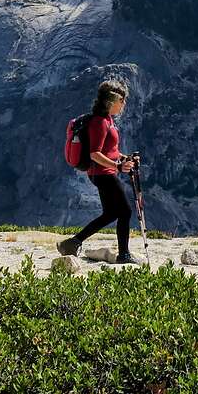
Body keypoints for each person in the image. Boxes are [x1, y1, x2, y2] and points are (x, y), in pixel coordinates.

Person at [57, 79, 143, 264]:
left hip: (104, 172)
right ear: (112, 100)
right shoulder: (99, 122)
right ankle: (124, 255)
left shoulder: (108, 120)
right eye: (122, 100)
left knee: (111, 214)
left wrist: (125, 158)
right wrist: (118, 167)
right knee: (125, 212)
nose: (124, 104)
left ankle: (73, 242)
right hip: (102, 174)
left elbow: (109, 151)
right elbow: (95, 154)